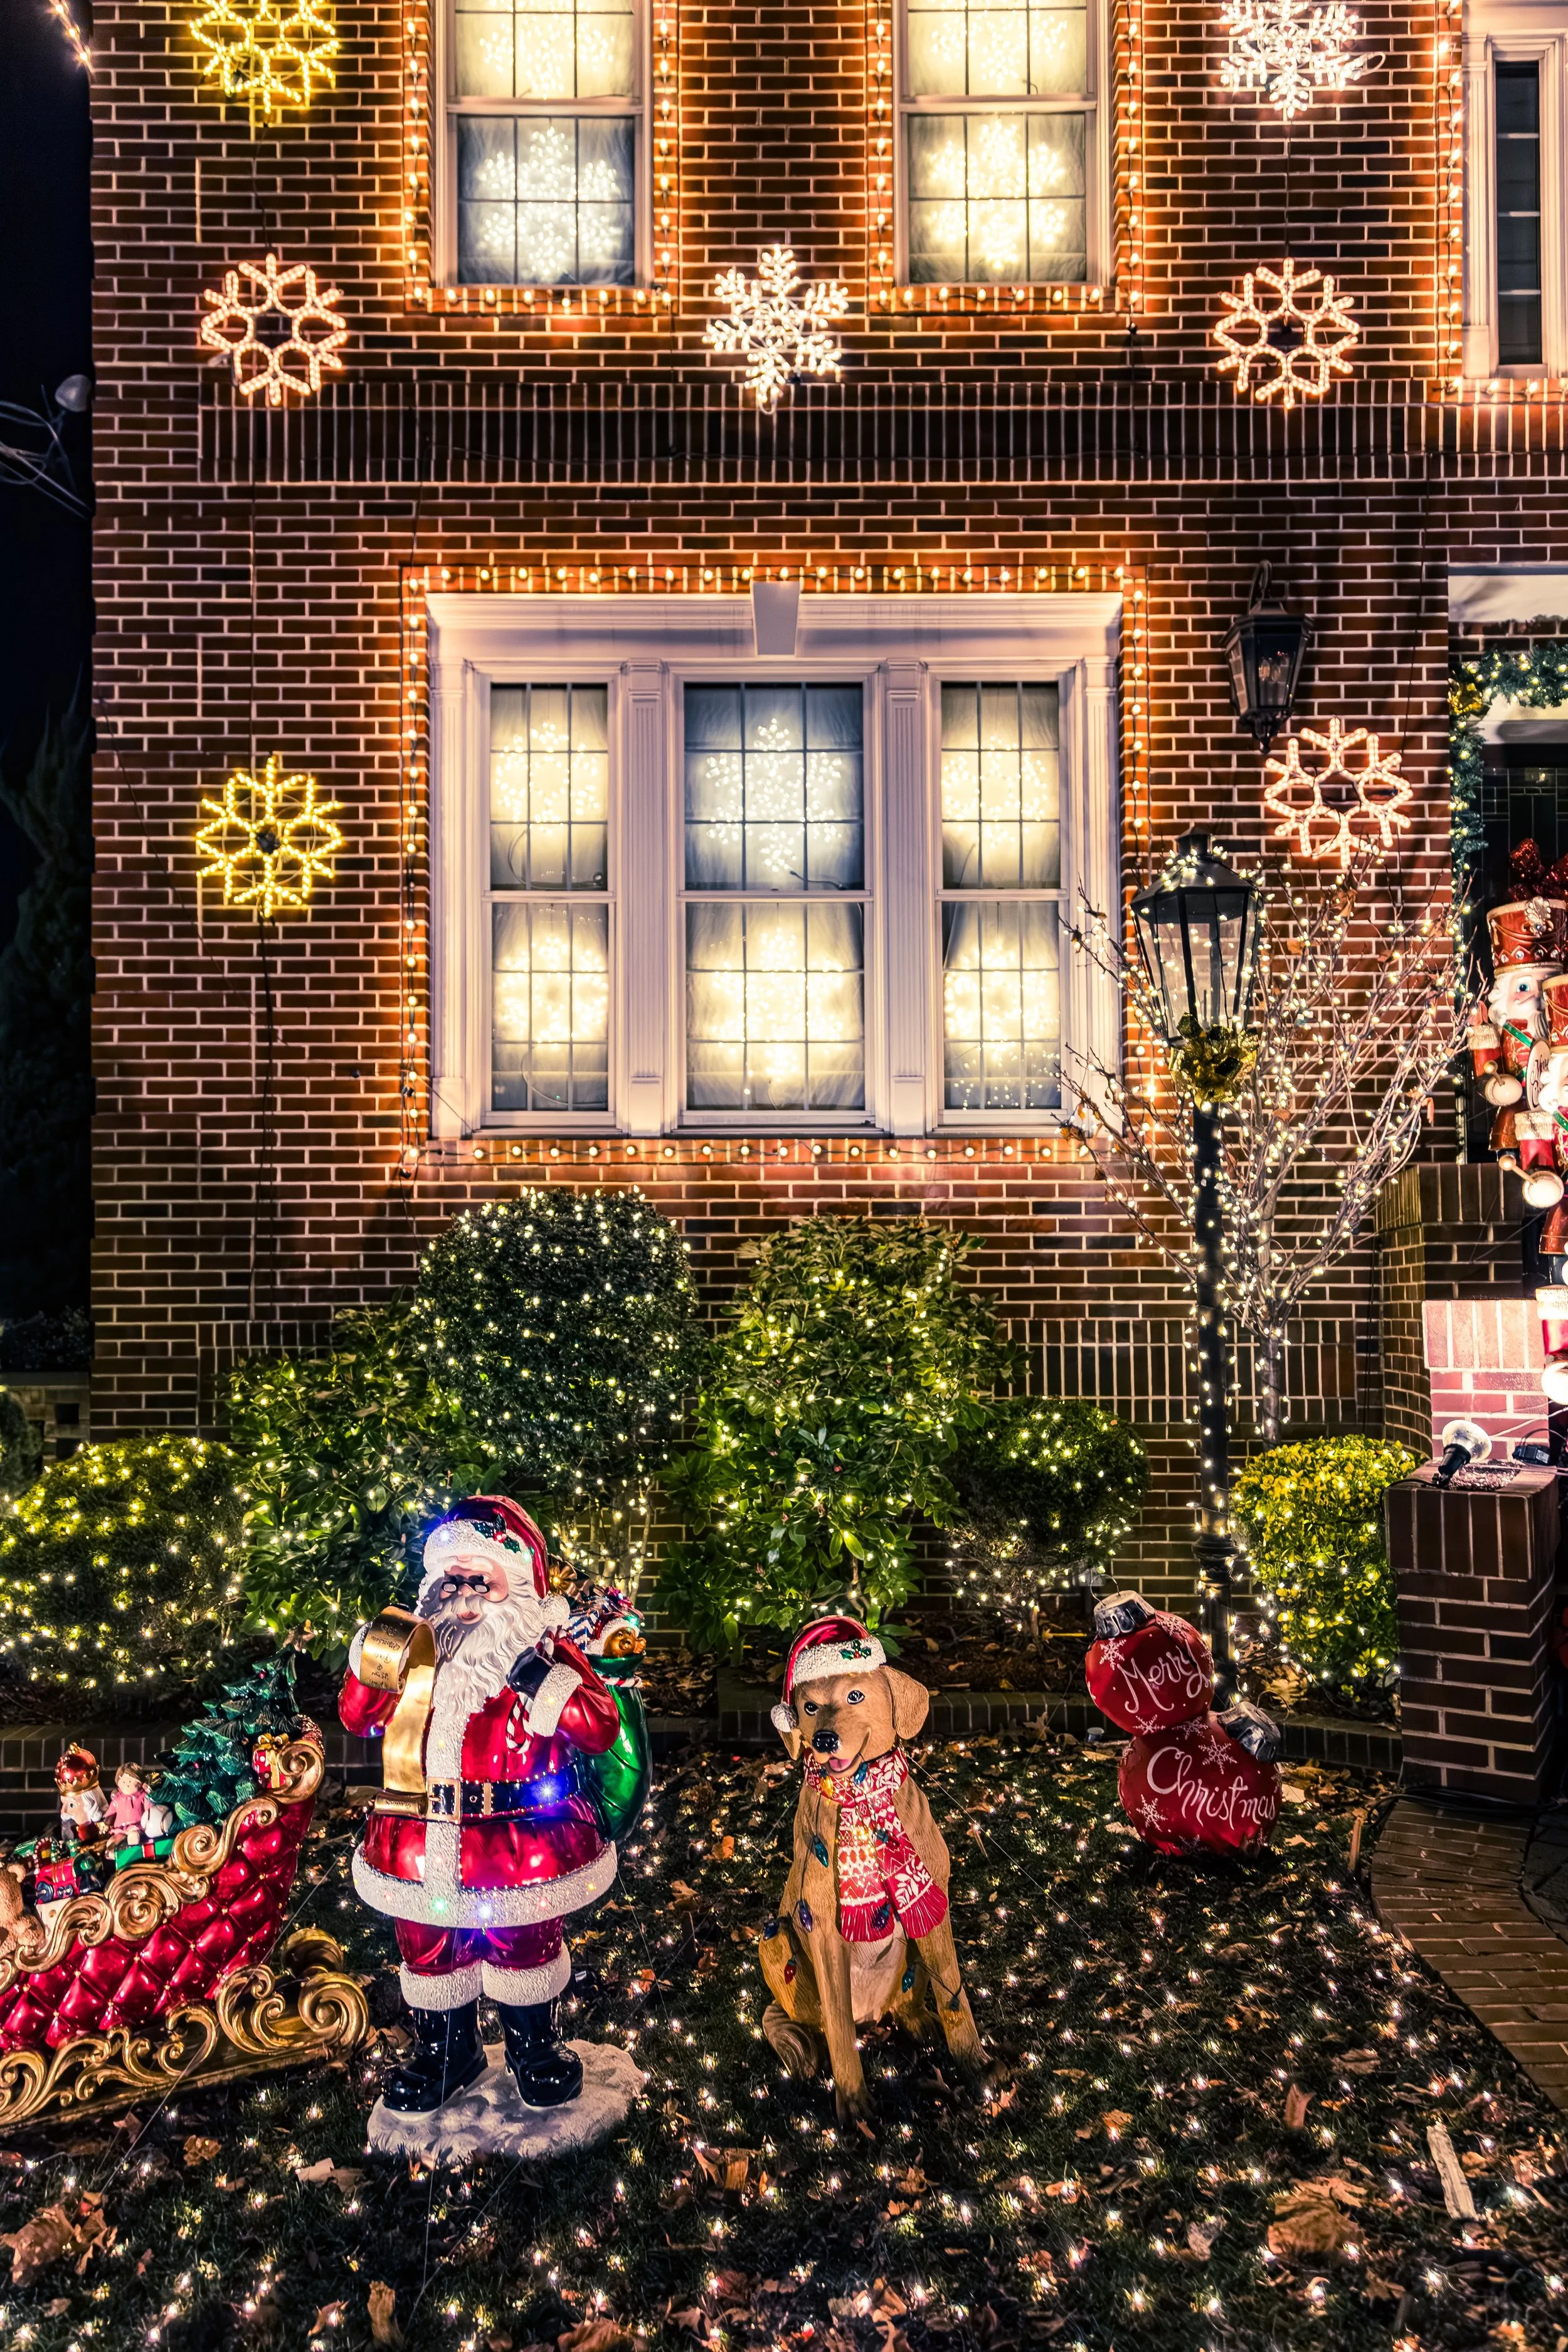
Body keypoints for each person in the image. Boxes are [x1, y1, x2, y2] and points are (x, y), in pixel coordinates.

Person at [339, 1495, 622, 2116]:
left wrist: (532, 1675)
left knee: (522, 1941)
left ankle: (533, 2049)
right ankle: (446, 2054)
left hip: (515, 1839)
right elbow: (358, 1718)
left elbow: (599, 1727)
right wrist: (371, 1659)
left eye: (481, 1580)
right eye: (452, 1578)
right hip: (417, 1834)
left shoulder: (541, 1650)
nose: (463, 1594)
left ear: (517, 1584)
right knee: (428, 1945)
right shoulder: (417, 1646)